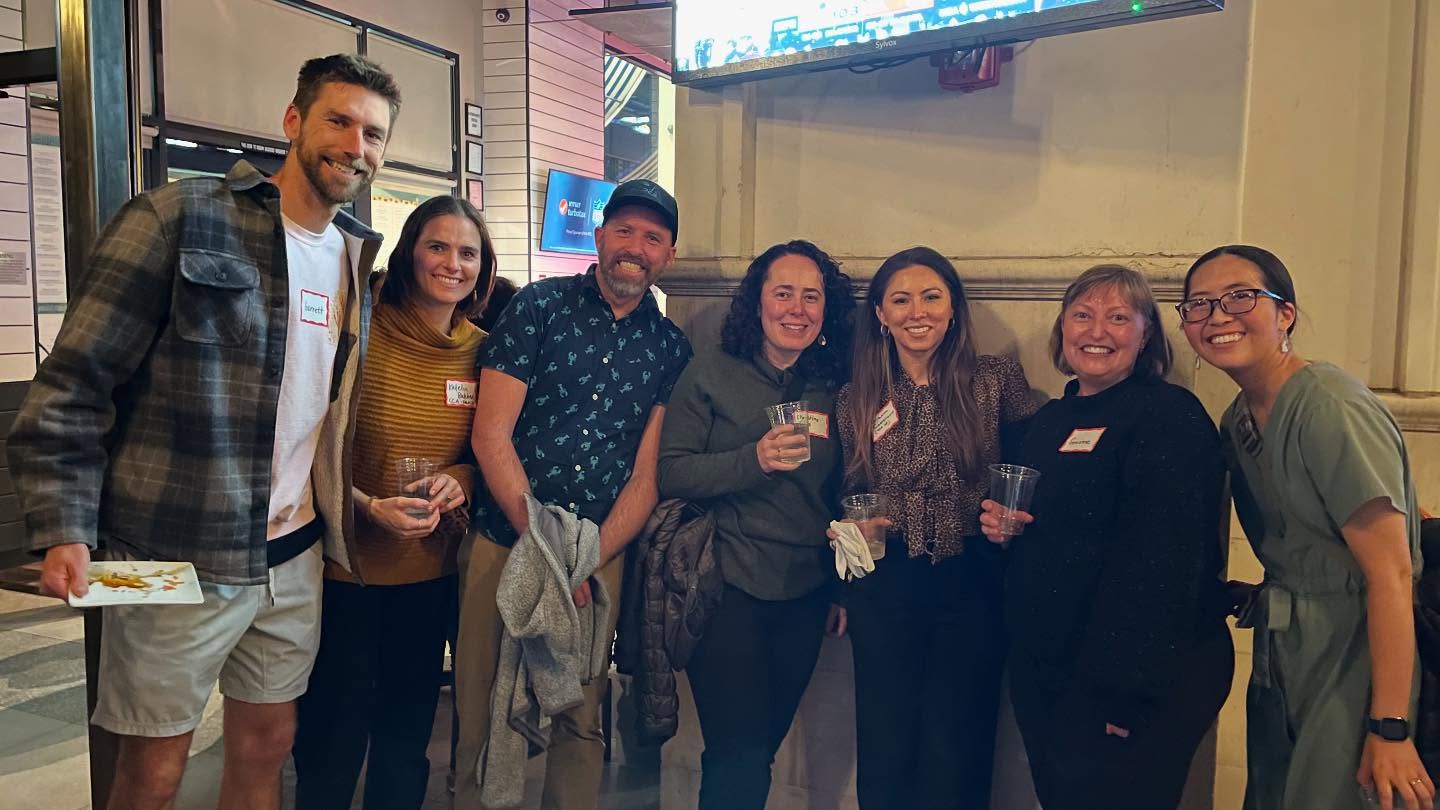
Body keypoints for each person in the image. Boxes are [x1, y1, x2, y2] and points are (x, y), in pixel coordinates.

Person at [6, 54, 399, 810]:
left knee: (266, 748)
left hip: (293, 554)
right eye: (339, 121)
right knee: (152, 770)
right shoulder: (177, 217)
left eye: (373, 134)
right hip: (176, 547)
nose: (356, 146)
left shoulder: (354, 255)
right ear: (293, 121)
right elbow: (75, 381)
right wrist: (64, 526)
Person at [455, 179, 692, 810]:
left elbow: (647, 477)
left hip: (597, 554)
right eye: (624, 231)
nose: (635, 247)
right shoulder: (538, 307)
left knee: (581, 718)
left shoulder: (671, 349)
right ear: (600, 235)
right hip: (504, 539)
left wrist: (584, 559)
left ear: (668, 255)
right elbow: (491, 435)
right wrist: (542, 545)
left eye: (652, 237)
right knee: (481, 713)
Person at [1178, 245, 1434, 810]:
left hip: (1358, 653)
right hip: (1288, 650)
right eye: (1199, 304)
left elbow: (1392, 574)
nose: (1218, 316)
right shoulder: (1237, 420)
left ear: (1285, 313)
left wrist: (1391, 727)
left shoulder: (1329, 406)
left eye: (1240, 297)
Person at [979, 264, 1233, 810]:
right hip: (1053, 671)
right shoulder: (1051, 420)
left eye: (1119, 318)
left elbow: (1167, 565)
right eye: (1083, 315)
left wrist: (1127, 692)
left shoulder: (1168, 416)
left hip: (1126, 681)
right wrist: (1005, 531)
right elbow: (1055, 535)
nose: (1097, 332)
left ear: (1146, 334)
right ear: (1062, 328)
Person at [293, 195, 497, 809]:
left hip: (431, 573)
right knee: (332, 739)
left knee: (406, 739)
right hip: (345, 570)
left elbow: (486, 449)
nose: (453, 264)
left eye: (468, 253)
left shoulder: (483, 350)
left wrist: (461, 479)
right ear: (409, 252)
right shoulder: (359, 328)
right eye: (438, 246)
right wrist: (364, 505)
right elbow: (309, 442)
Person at [834, 246, 1039, 809]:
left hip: (972, 578)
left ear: (953, 309)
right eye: (900, 300)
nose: (917, 312)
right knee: (886, 737)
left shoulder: (995, 379)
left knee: (960, 739)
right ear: (881, 314)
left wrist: (1014, 519)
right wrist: (849, 538)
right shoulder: (856, 396)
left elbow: (1031, 468)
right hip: (886, 581)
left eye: (931, 297)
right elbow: (847, 490)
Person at [656, 240, 855, 810]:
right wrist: (755, 459)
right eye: (783, 293)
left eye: (811, 296)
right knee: (737, 752)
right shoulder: (712, 372)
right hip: (727, 584)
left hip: (806, 589)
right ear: (757, 302)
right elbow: (672, 472)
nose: (797, 309)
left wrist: (841, 586)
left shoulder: (834, 384)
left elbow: (844, 491)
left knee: (760, 747)